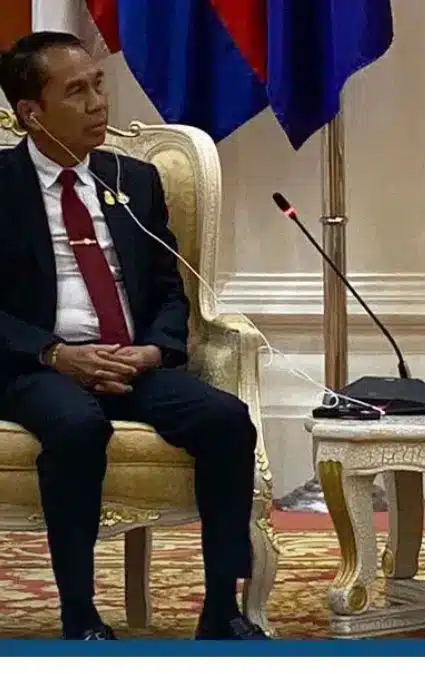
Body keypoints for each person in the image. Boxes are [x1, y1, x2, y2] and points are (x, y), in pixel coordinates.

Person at [0, 32, 267, 641]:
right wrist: (55, 354)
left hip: (131, 360)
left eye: (98, 85)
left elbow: (171, 290)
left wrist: (154, 350)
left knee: (227, 420)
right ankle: (81, 617)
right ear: (32, 113)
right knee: (77, 426)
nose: (99, 103)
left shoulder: (135, 180)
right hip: (38, 366)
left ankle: (222, 612)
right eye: (77, 91)